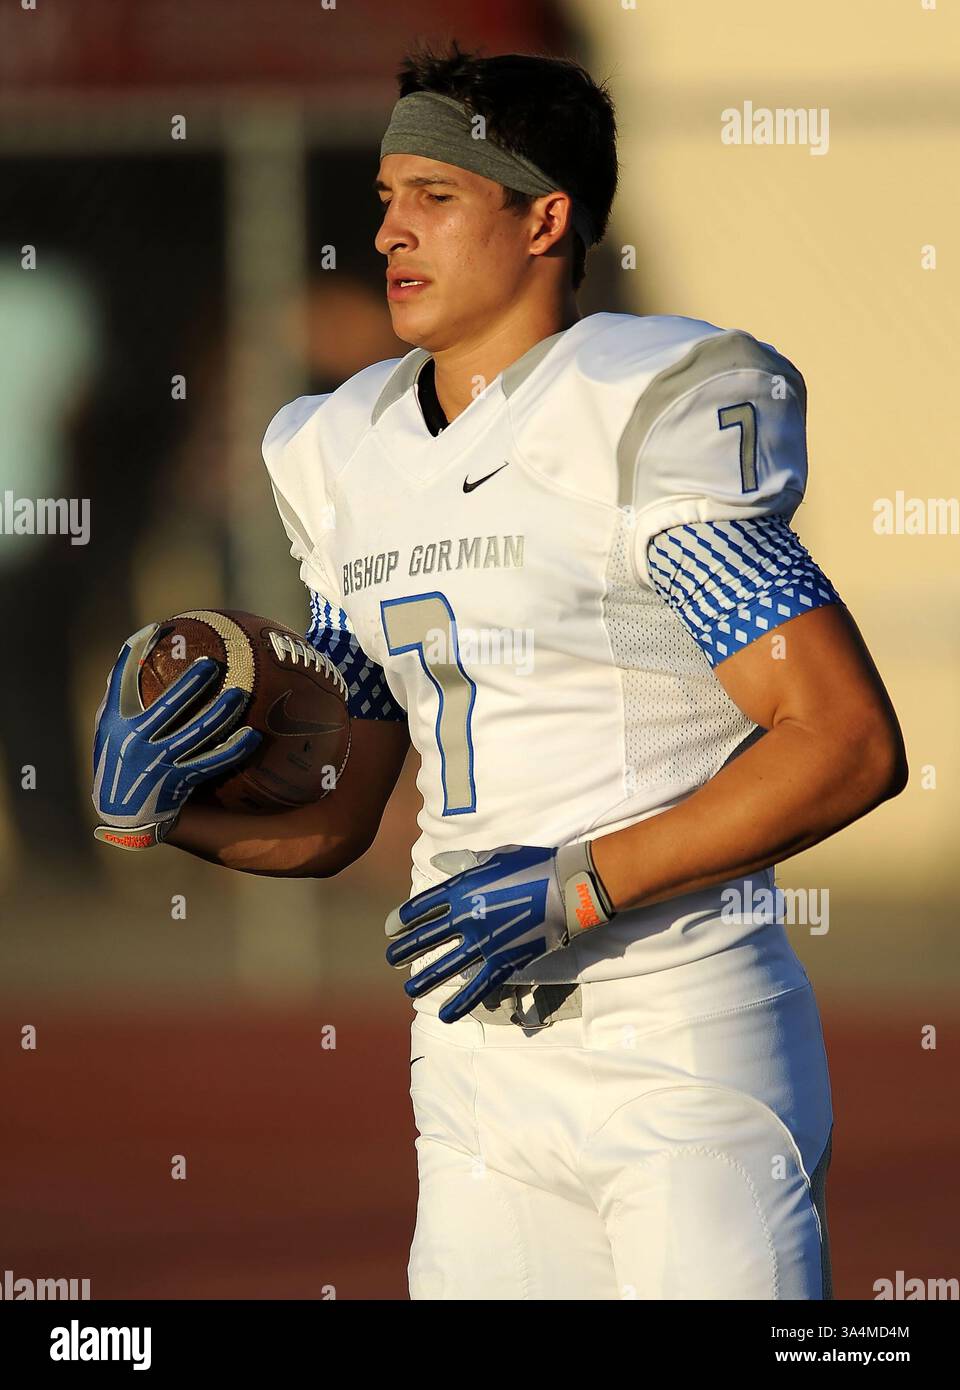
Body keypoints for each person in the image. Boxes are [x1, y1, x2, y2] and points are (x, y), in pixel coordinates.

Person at [91, 42, 908, 1300]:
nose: (388, 233)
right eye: (382, 198)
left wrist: (584, 885)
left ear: (545, 216)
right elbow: (341, 813)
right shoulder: (342, 451)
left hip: (675, 1036)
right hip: (472, 1058)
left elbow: (844, 739)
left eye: (436, 194)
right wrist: (165, 816)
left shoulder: (641, 412)